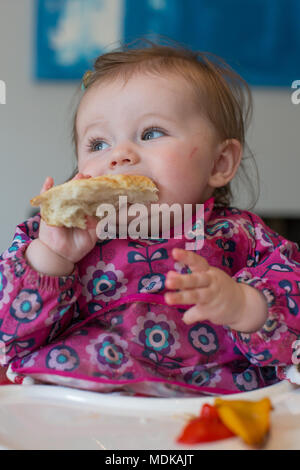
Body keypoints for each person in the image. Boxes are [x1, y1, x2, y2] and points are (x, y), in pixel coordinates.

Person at [0, 43, 299, 397]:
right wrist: (53, 258)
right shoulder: (56, 239)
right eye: (98, 144)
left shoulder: (243, 237)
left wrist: (243, 305)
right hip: (77, 405)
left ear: (219, 163)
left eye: (151, 133)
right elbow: (12, 339)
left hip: (209, 408)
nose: (120, 155)